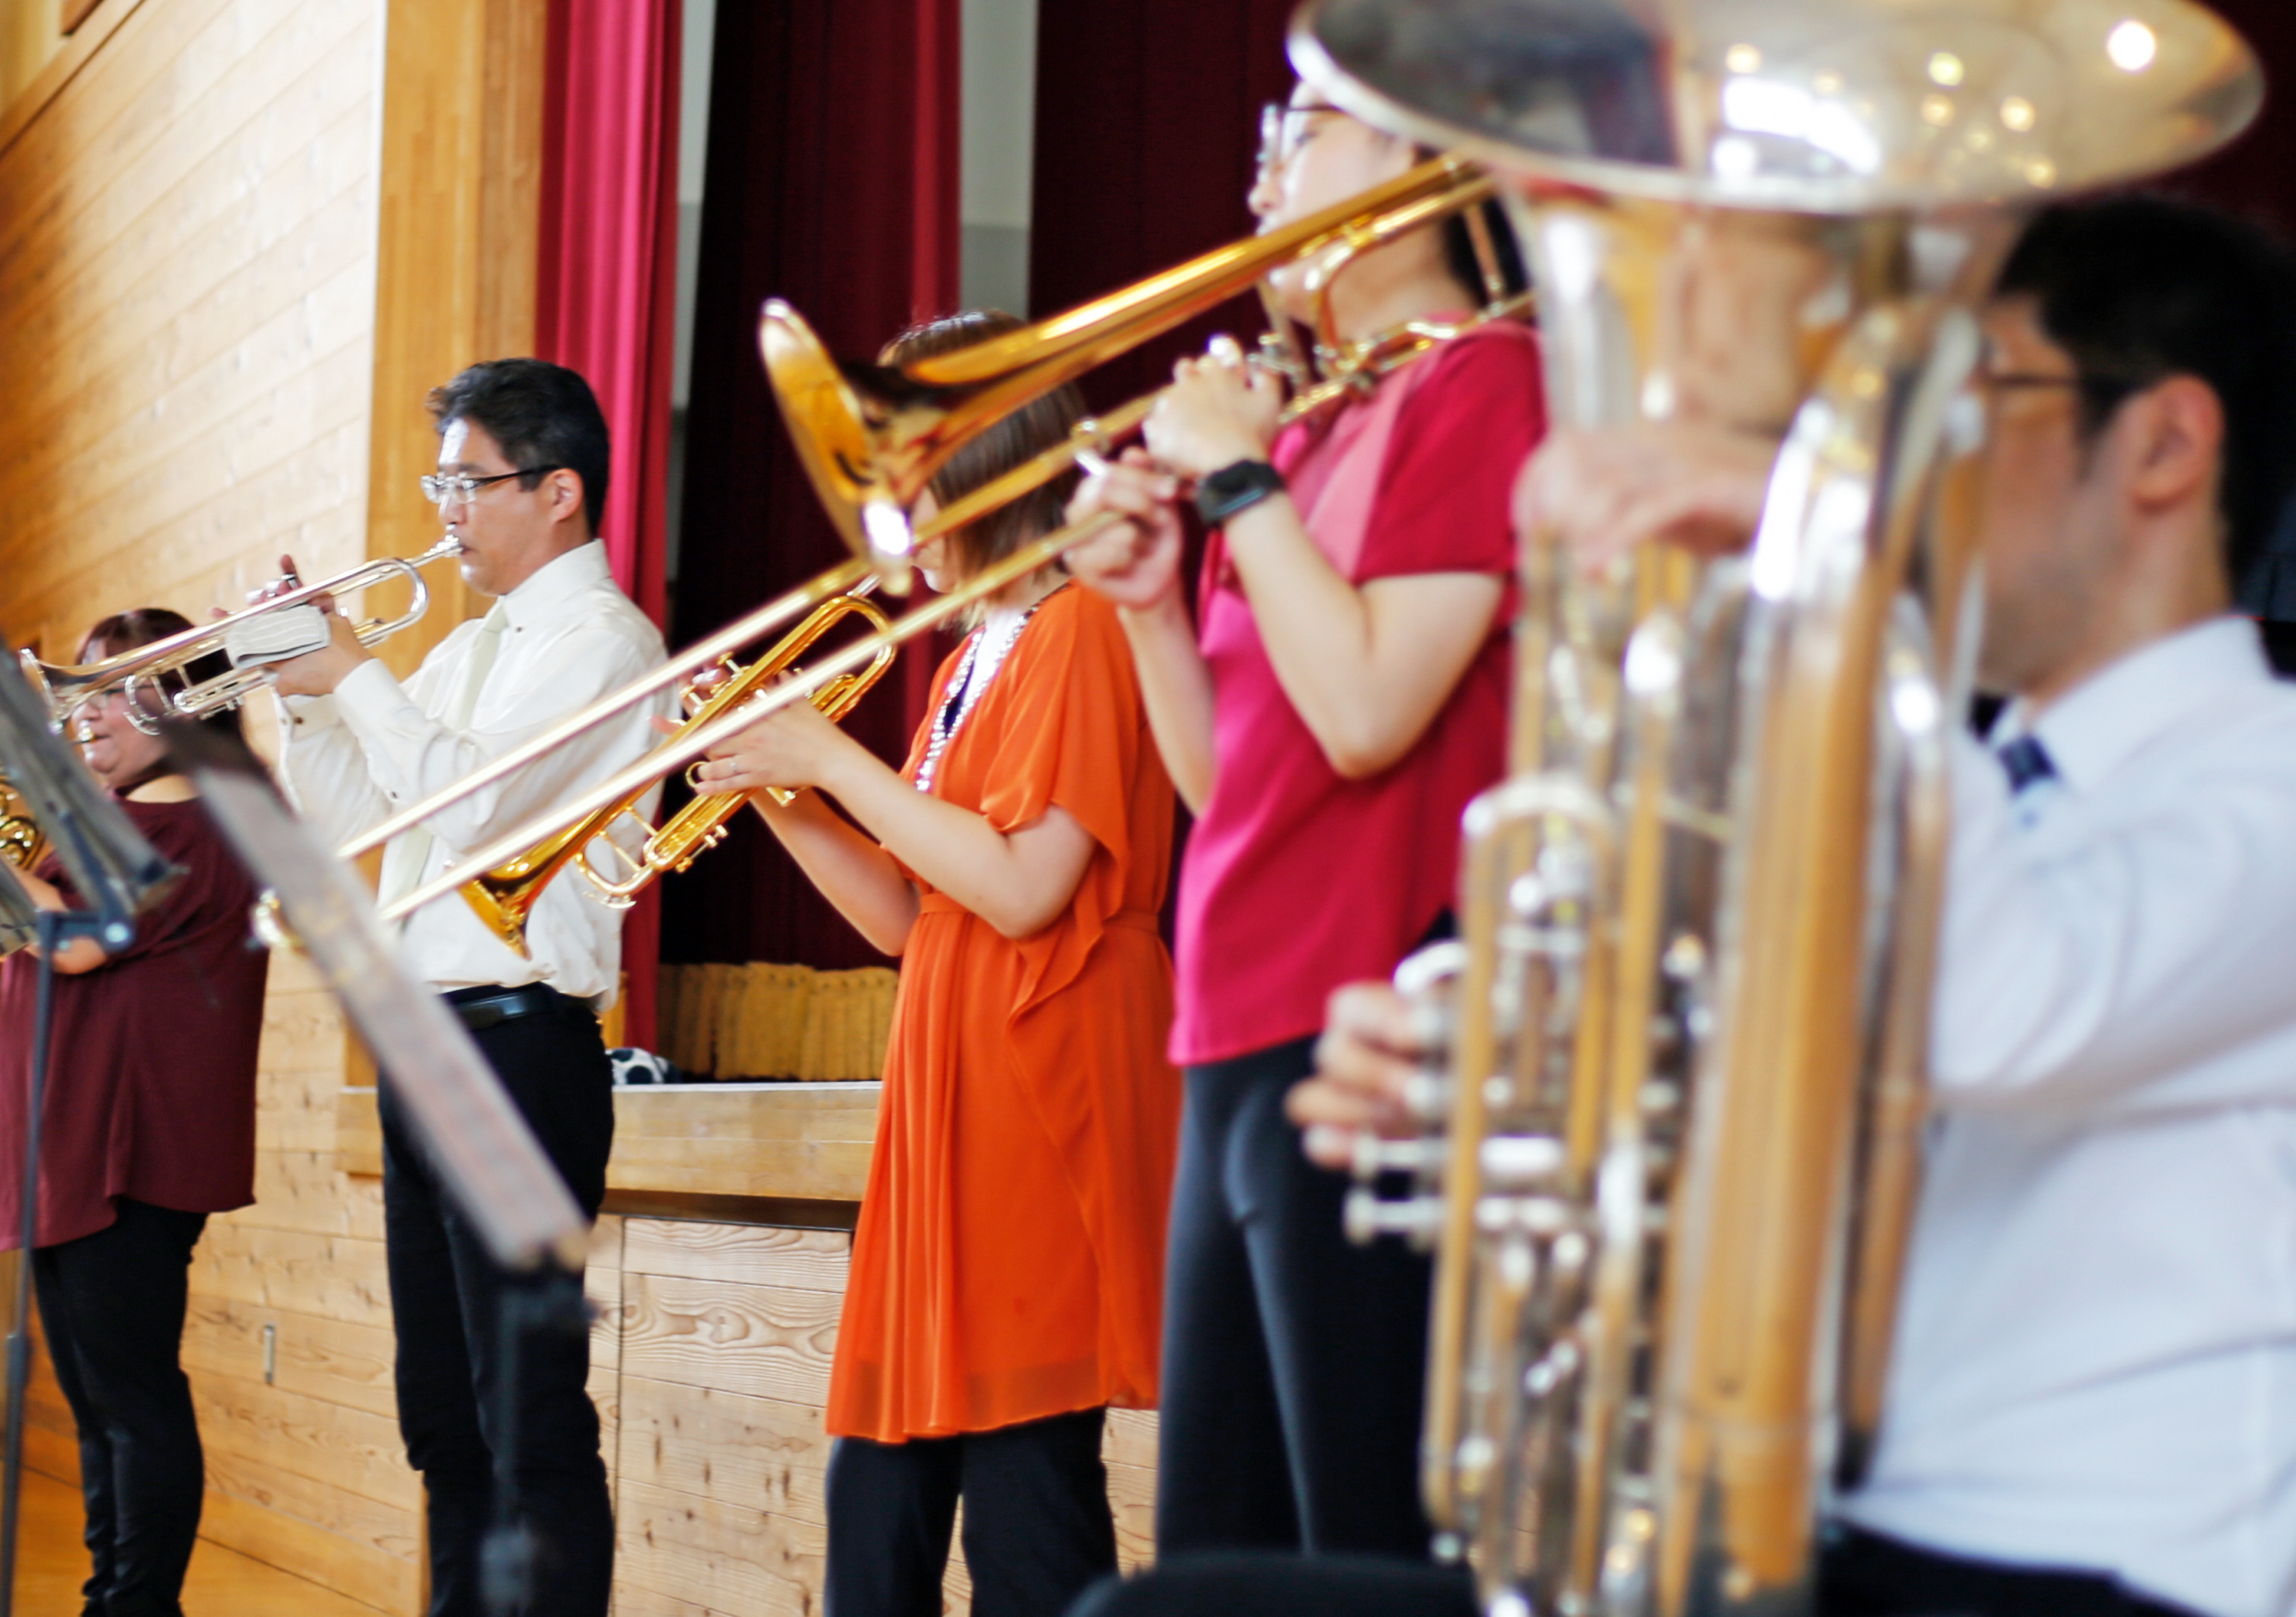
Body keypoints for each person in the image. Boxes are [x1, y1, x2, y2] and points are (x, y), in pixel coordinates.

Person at [1131, 196, 2296, 1617]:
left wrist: (1807, 546)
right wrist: (1534, 1085)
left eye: (1967, 399)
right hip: (1833, 1550)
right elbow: (1810, 1096)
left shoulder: (2263, 780)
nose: (1907, 466)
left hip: (2088, 1571)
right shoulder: (1979, 777)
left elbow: (1996, 1008)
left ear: (2166, 443)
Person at [1062, 87, 1544, 1563]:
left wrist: (1241, 485)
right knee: (1218, 1543)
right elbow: (1229, 785)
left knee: (1360, 1541)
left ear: (1415, 154)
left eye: (1308, 131)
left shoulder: (1490, 381)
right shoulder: (1317, 426)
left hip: (1366, 1039)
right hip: (1229, 1028)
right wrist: (1151, 609)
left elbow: (1368, 712)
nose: (1266, 170)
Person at [695, 310, 1185, 1617]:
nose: (881, 498)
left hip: (1046, 1078)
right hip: (953, 1087)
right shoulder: (975, 650)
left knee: (1026, 1496)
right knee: (880, 1497)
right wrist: (775, 791)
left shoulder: (1083, 622)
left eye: (897, 461)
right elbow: (912, 920)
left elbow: (1027, 890)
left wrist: (831, 758)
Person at [268, 358, 663, 1617]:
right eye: (439, 480)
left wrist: (356, 678)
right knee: (443, 1412)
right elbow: (349, 819)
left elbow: (478, 804)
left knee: (526, 1411)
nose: (444, 508)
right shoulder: (467, 648)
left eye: (467, 481)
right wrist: (303, 700)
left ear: (557, 491)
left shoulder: (606, 641)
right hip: (428, 1039)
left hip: (520, 1042)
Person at [0, 612, 271, 1617]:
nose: (86, 717)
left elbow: (74, 942)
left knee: (131, 1398)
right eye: (78, 696)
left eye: (108, 693)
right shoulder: (120, 821)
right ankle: (110, 1593)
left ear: (184, 701)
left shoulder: (199, 818)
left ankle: (137, 1603)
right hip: (64, 1137)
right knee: (100, 1403)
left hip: (129, 1145)